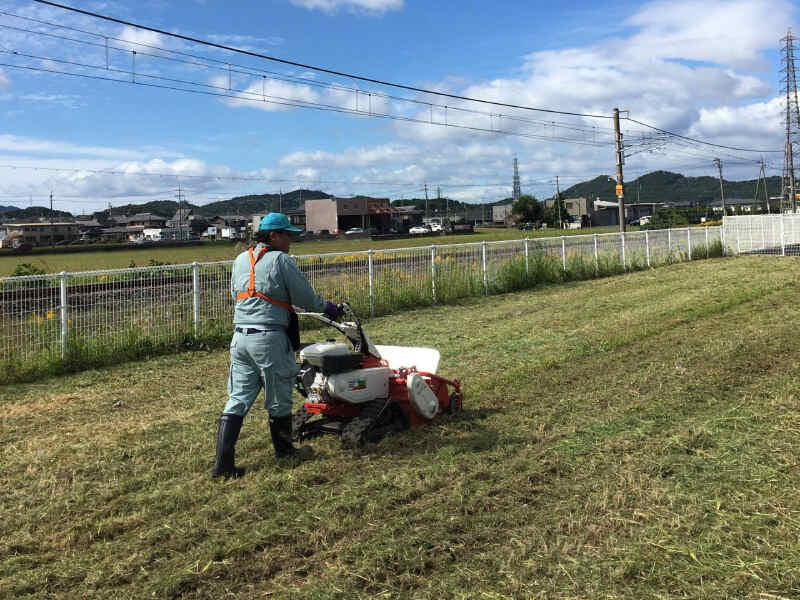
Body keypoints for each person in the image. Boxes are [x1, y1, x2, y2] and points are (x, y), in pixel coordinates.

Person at [213, 212, 343, 478]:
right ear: (273, 236)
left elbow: (235, 293)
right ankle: (285, 453)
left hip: (240, 339)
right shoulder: (280, 260)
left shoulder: (240, 259)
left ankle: (223, 465)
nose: (290, 241)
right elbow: (305, 297)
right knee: (279, 396)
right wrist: (329, 308)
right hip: (269, 339)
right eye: (287, 235)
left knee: (238, 397)